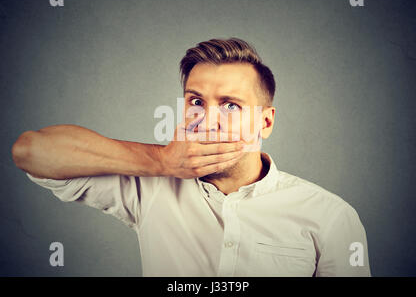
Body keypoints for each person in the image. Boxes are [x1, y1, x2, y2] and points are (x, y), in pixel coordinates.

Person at [11, 37, 371, 277]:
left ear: (265, 121)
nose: (208, 119)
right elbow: (31, 150)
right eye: (196, 101)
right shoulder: (150, 190)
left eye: (231, 105)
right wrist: (161, 162)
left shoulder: (331, 217)